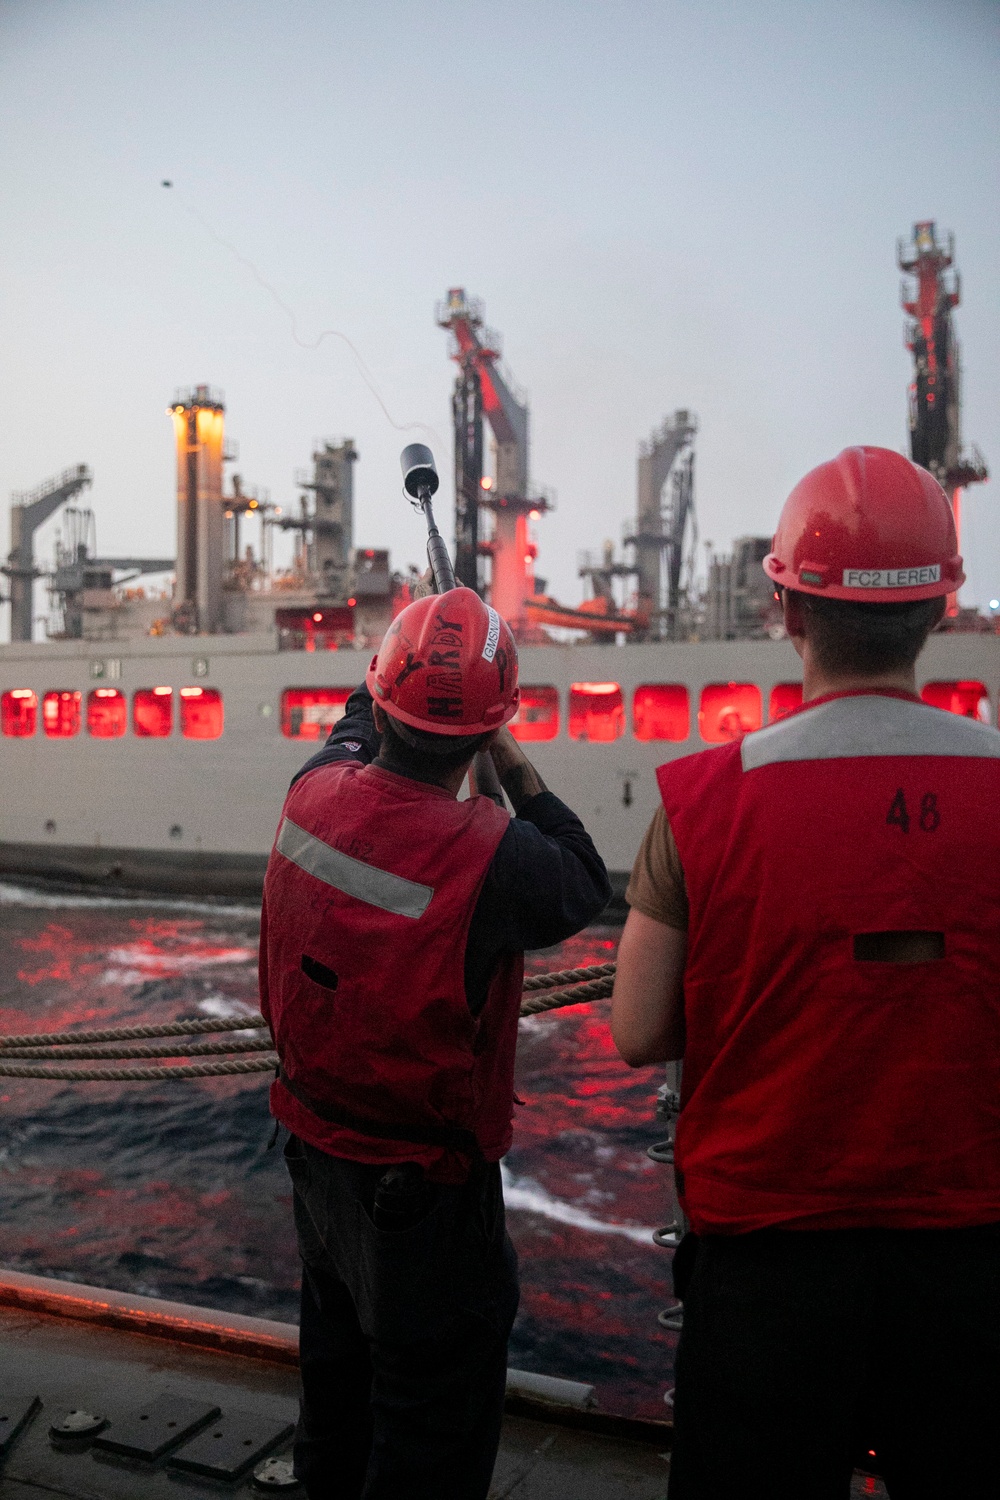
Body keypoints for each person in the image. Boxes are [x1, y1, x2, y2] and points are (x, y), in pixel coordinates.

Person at [610, 446, 1000, 1500]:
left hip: (769, 1263)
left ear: (786, 609)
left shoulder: (702, 800)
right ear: (938, 616)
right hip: (970, 1254)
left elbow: (640, 1027)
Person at [259, 586, 610, 1500]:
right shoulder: (495, 857)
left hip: (317, 1163)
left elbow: (353, 722)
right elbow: (581, 878)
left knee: (335, 1396)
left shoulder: (312, 791)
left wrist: (417, 655)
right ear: (488, 731)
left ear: (378, 701)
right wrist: (512, 760)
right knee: (431, 1434)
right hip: (424, 1198)